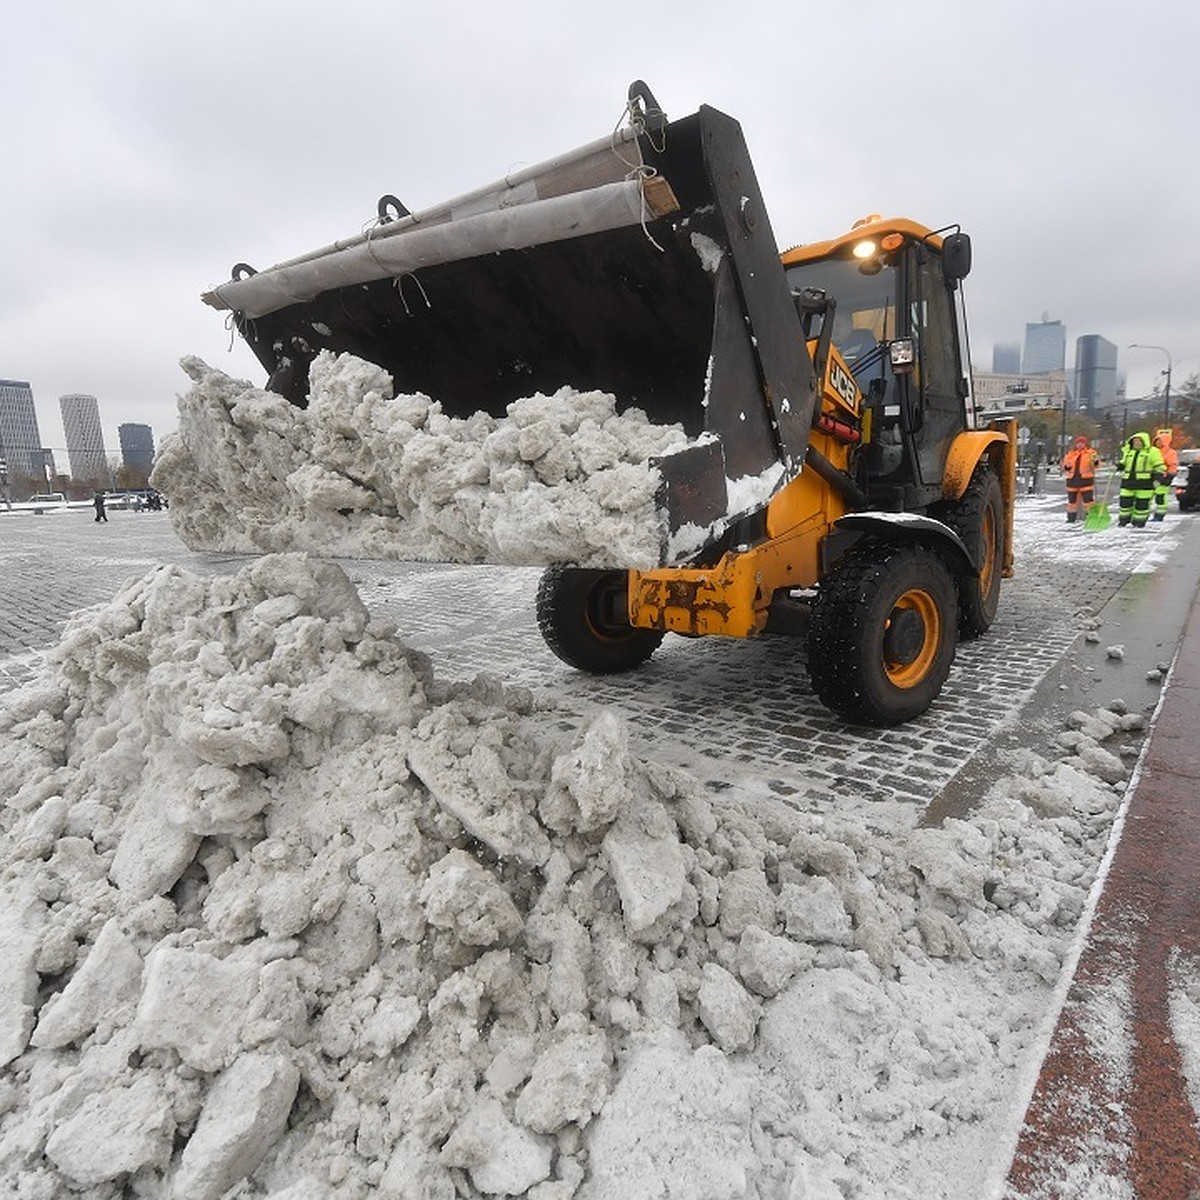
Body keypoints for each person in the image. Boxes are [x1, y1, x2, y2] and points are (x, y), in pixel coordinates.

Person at [1118, 431, 1166, 529]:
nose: (1137, 443)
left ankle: (1139, 522)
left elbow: (1160, 467)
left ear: (1144, 442)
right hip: (1128, 482)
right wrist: (1120, 465)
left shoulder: (1152, 452)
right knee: (1124, 503)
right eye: (1135, 441)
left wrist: (1158, 479)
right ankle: (1124, 520)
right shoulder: (1129, 452)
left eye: (1139, 441)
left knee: (1142, 505)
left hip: (1144, 483)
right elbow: (1124, 462)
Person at [1061, 435, 1099, 523]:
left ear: (1085, 444)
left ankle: (1091, 517)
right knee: (1072, 501)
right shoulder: (1071, 454)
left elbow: (1096, 465)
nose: (1080, 445)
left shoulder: (1090, 453)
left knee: (1088, 501)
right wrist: (1066, 467)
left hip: (1086, 480)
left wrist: (1095, 462)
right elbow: (1065, 465)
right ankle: (1071, 518)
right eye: (1078, 443)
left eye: (1082, 443)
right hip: (1072, 480)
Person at [1152, 429, 1179, 522]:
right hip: (1151, 477)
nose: (1158, 443)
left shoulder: (1170, 452)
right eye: (1157, 441)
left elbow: (1172, 465)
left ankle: (1159, 515)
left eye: (1160, 441)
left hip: (1164, 478)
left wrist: (1169, 476)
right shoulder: (1152, 451)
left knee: (1160, 497)